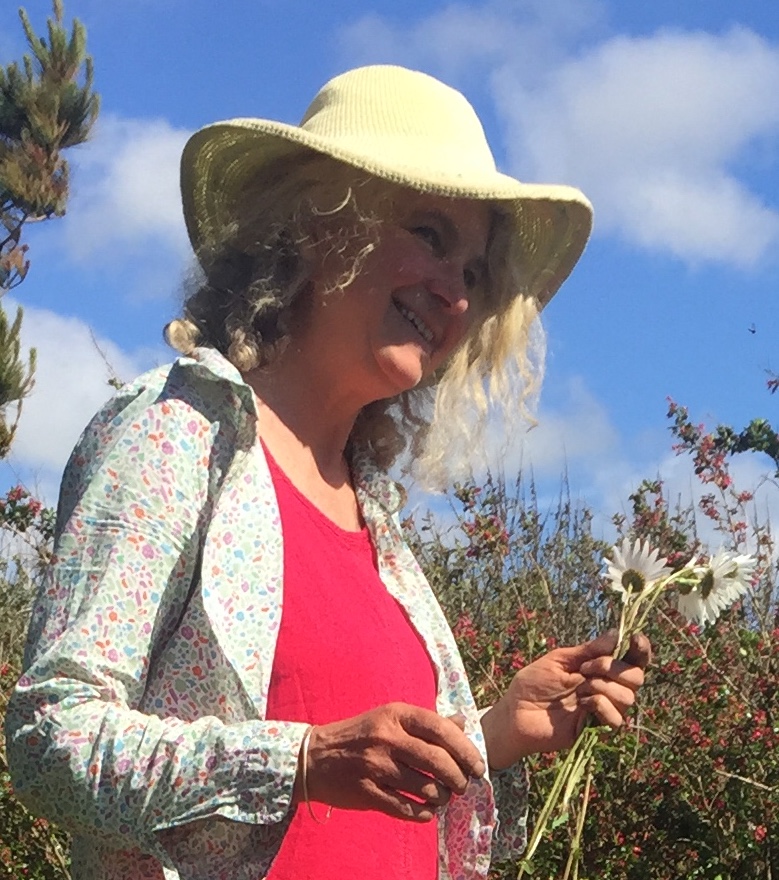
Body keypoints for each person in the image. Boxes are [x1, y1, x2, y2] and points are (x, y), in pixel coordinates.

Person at [5, 65, 649, 880]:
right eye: (429, 234)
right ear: (317, 223)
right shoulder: (178, 434)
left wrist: (493, 733)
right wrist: (301, 761)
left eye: (473, 273)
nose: (455, 294)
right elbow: (49, 739)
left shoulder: (372, 514)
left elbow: (363, 801)